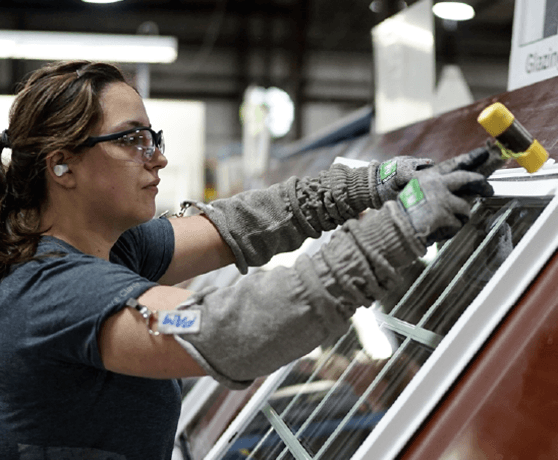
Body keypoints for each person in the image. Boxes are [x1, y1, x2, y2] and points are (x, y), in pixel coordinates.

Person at [0, 60, 502, 460]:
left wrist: (367, 184)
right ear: (60, 163)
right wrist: (398, 230)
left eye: (153, 137)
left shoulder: (117, 247)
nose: (157, 157)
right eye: (131, 139)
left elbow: (241, 222)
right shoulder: (53, 291)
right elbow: (222, 330)